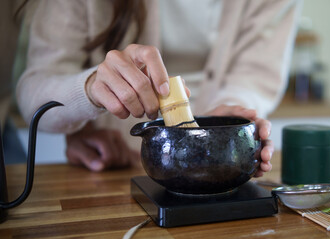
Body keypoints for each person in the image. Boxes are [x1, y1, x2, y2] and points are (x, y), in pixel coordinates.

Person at [16, 0, 302, 175]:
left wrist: (228, 116)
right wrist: (91, 88)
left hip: (216, 165)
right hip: (114, 168)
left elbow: (253, 74)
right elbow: (33, 94)